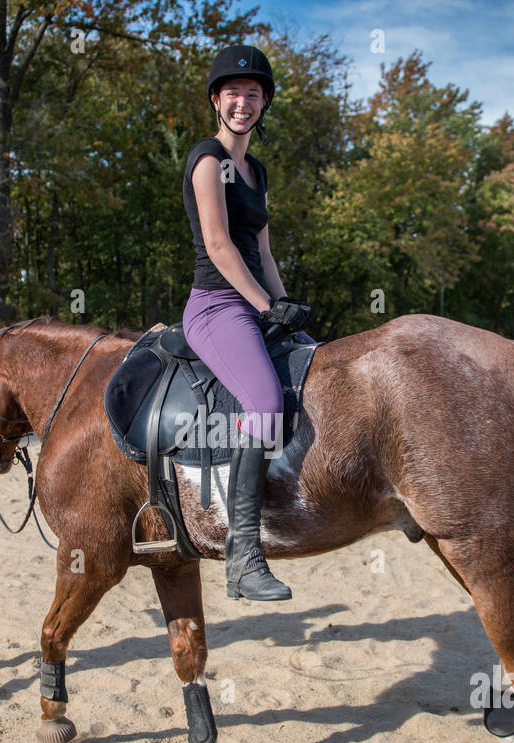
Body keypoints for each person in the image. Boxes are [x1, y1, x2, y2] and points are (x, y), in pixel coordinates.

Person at [182, 43, 316, 602]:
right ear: (217, 100)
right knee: (263, 402)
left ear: (264, 105)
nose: (243, 103)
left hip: (255, 298)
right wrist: (264, 307)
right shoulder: (208, 159)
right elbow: (218, 245)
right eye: (233, 93)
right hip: (216, 306)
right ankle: (241, 555)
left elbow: (263, 249)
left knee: (321, 365)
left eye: (253, 95)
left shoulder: (255, 171)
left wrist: (289, 312)